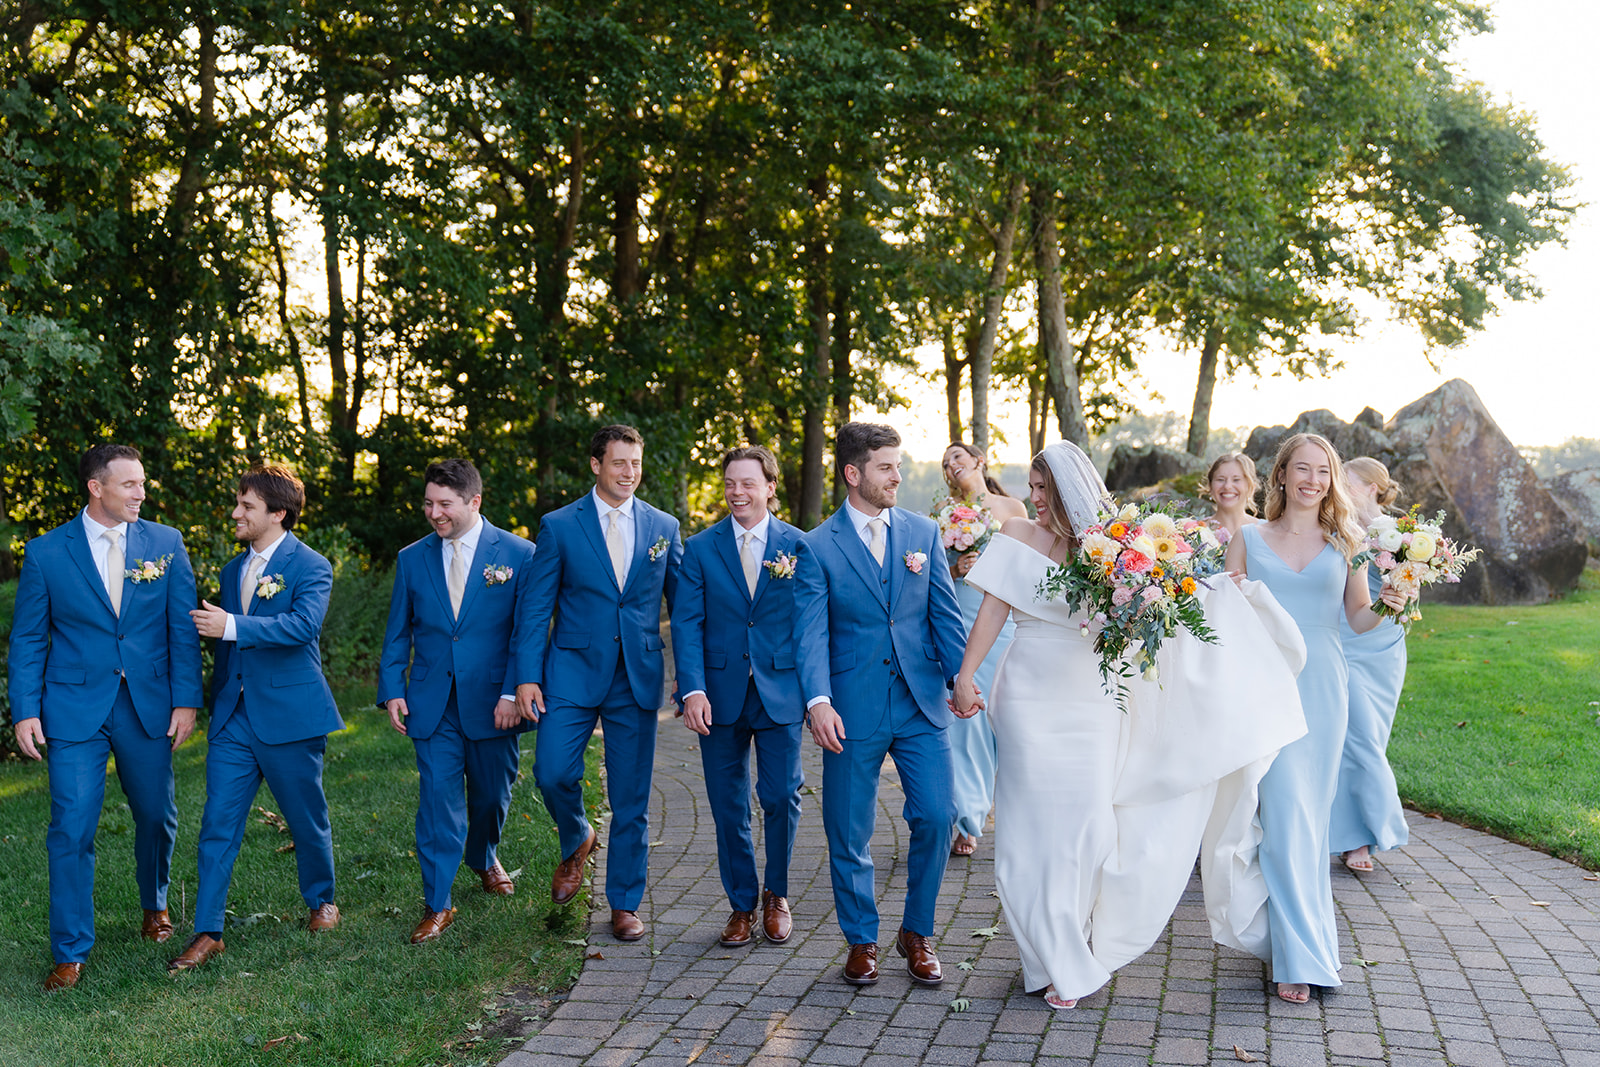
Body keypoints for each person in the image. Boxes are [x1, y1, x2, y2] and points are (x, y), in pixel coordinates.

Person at [953, 443, 1308, 1010]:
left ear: (1071, 492)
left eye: (1045, 490)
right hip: (1026, 695)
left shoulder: (1116, 550)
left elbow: (1165, 605)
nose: (1035, 500)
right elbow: (994, 608)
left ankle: (1070, 944)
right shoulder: (1016, 535)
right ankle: (1054, 961)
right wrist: (967, 674)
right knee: (1026, 831)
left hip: (1094, 701)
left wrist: (1218, 595)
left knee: (1087, 828)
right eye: (1032, 488)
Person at [6, 444, 204, 992]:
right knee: (70, 826)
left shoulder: (165, 543)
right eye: (130, 485)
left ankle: (155, 905)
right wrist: (24, 710)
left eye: (142, 484)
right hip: (73, 710)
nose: (142, 493)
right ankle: (70, 950)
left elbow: (182, 628)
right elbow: (27, 638)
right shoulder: (47, 553)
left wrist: (186, 700)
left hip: (147, 705)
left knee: (157, 815)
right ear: (97, 488)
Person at [1223, 433, 1407, 1004]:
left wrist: (1389, 603)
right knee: (1281, 819)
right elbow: (1225, 622)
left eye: (1323, 471)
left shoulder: (1347, 541)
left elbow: (1356, 619)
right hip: (1266, 685)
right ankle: (1297, 954)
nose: (1312, 480)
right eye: (1301, 469)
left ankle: (1298, 950)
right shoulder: (1247, 539)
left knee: (1309, 821)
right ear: (1280, 476)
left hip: (1325, 686)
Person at [794, 421, 967, 987]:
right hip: (851, 707)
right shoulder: (816, 546)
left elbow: (943, 614)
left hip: (920, 703)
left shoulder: (922, 531)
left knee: (940, 816)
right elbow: (810, 633)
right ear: (853, 473)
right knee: (848, 830)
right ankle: (861, 938)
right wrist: (818, 701)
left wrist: (962, 676)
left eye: (897, 465)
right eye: (886, 467)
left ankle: (917, 932)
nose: (898, 476)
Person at [173, 464, 345, 971]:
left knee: (306, 818)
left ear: (278, 513)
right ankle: (208, 931)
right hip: (234, 719)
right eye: (238, 503)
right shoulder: (232, 570)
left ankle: (322, 900)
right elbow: (229, 650)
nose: (236, 512)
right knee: (217, 824)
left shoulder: (312, 565)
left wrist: (231, 625)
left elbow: (302, 626)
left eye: (246, 505)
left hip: (291, 714)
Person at [523, 425, 682, 942]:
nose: (629, 473)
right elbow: (536, 607)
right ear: (596, 465)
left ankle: (624, 903)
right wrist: (527, 676)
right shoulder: (559, 525)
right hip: (569, 671)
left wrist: (694, 680)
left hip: (636, 675)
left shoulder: (664, 525)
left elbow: (684, 610)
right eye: (619, 463)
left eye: (635, 463)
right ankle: (577, 836)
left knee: (632, 795)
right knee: (551, 772)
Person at [378, 459, 538, 944]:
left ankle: (484, 855)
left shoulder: (518, 553)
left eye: (444, 504)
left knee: (492, 795)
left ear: (474, 501)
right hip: (432, 701)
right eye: (428, 503)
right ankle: (438, 902)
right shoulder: (412, 558)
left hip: (495, 700)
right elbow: (397, 632)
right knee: (437, 803)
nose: (434, 513)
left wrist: (513, 691)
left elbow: (525, 632)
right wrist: (392, 689)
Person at [671, 446, 805, 947]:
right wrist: (693, 689)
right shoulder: (701, 548)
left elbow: (809, 624)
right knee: (728, 804)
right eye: (729, 483)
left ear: (770, 487)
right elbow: (686, 623)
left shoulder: (798, 545)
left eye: (747, 483)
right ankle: (740, 905)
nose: (737, 492)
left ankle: (778, 894)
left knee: (780, 795)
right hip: (718, 694)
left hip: (780, 692)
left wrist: (815, 696)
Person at [936, 442, 1026, 858]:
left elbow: (1027, 568)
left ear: (978, 461)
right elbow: (932, 577)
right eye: (945, 463)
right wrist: (956, 567)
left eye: (958, 457)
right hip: (960, 616)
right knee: (964, 722)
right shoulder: (941, 517)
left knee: (1000, 718)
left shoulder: (1013, 509)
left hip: (1001, 624)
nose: (952, 465)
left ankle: (1007, 809)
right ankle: (968, 819)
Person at [1329, 457, 1410, 873]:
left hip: (1384, 642)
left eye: (1348, 482)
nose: (1339, 487)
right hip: (1342, 634)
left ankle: (1358, 837)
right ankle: (1362, 830)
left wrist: (1405, 589)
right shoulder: (1335, 526)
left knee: (1368, 736)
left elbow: (1411, 590)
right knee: (1348, 733)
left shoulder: (1400, 534)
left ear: (1374, 488)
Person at [1204, 452, 1261, 541]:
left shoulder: (1267, 532)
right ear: (1210, 486)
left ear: (1251, 487)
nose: (1227, 486)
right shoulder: (1194, 532)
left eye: (1236, 480)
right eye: (1220, 480)